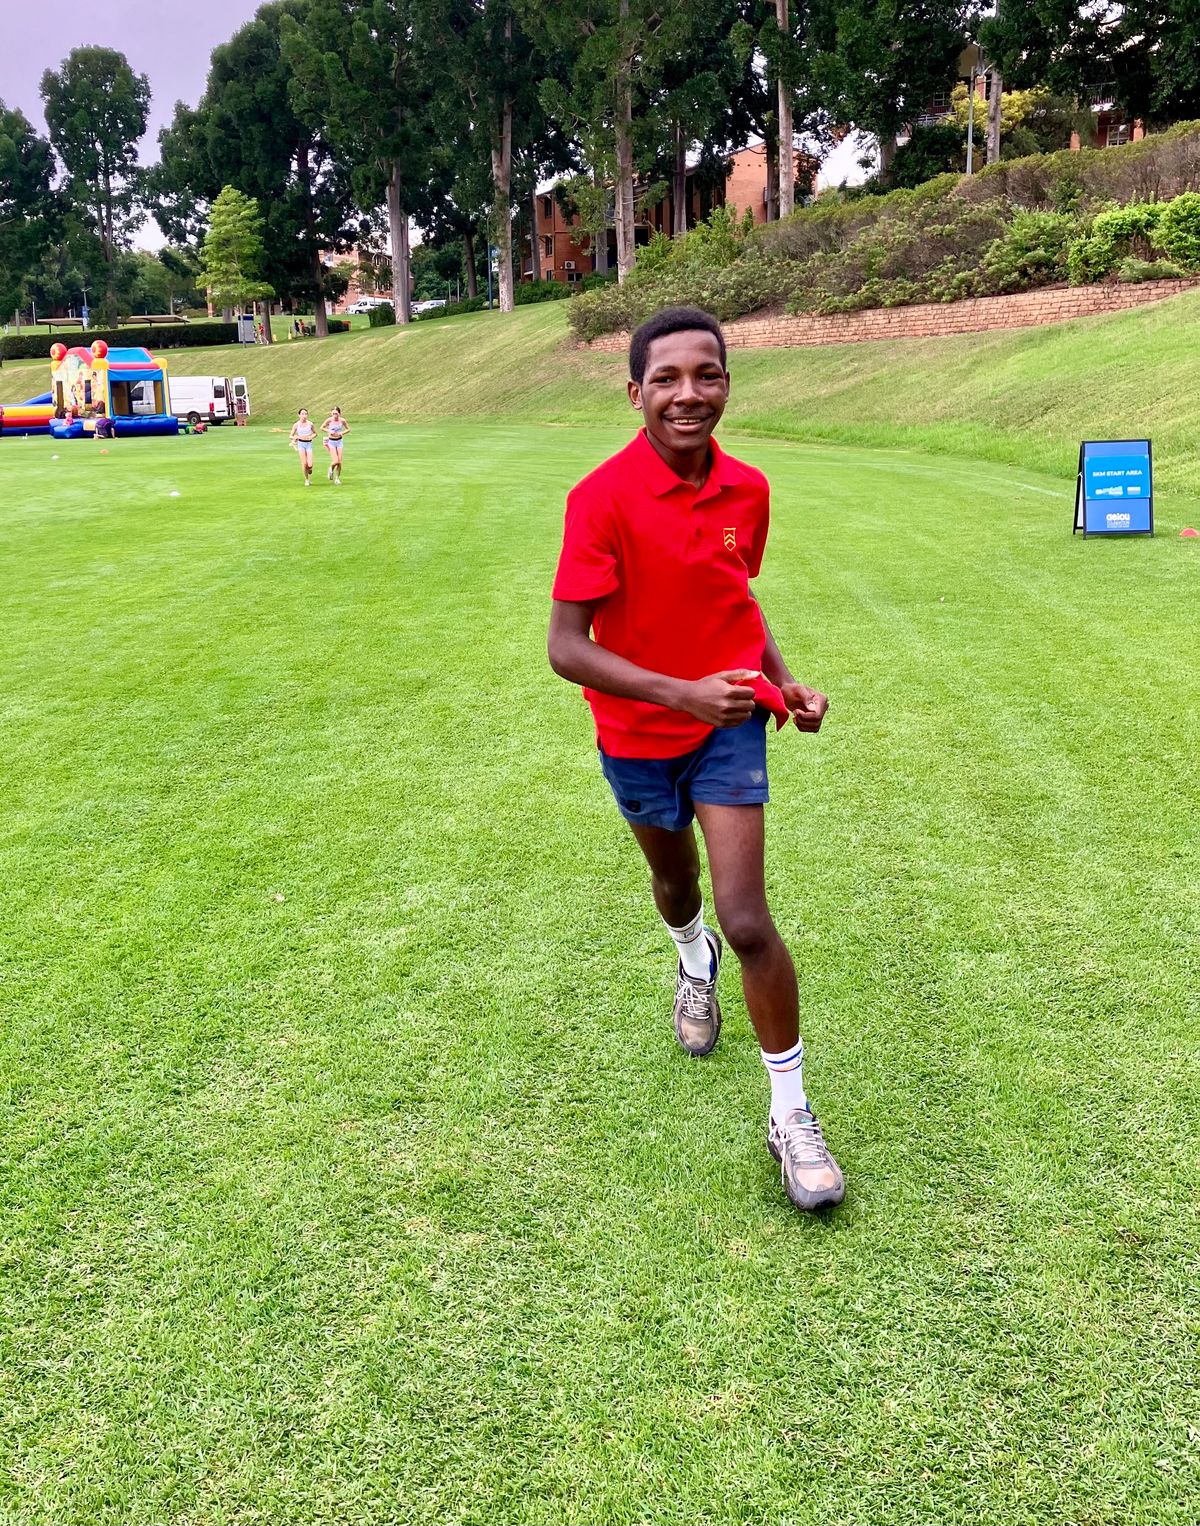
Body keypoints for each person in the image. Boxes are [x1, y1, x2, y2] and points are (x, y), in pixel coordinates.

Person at [547, 306, 844, 1213]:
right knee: (677, 888)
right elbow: (566, 647)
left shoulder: (747, 490)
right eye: (667, 379)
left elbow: (737, 598)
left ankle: (791, 1116)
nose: (689, 394)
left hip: (730, 723)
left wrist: (783, 682)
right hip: (638, 734)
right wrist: (679, 693)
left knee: (749, 918)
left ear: (727, 383)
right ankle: (690, 956)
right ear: (634, 392)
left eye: (707, 374)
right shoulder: (600, 498)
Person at [289, 407, 316, 486]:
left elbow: (315, 433)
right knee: (304, 463)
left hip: (308, 444)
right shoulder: (296, 425)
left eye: (305, 414)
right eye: (302, 414)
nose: (304, 415)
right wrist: (295, 437)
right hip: (301, 444)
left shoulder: (310, 424)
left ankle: (309, 469)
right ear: (299, 415)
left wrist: (311, 437)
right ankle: (307, 480)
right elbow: (291, 435)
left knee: (309, 465)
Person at [321, 407, 349, 482]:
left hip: (339, 441)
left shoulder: (342, 420)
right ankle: (330, 469)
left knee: (339, 462)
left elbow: (348, 429)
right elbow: (322, 427)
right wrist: (329, 431)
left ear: (339, 413)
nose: (334, 415)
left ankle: (337, 478)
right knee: (336, 461)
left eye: (336, 413)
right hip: (331, 442)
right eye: (333, 414)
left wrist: (342, 433)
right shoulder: (329, 420)